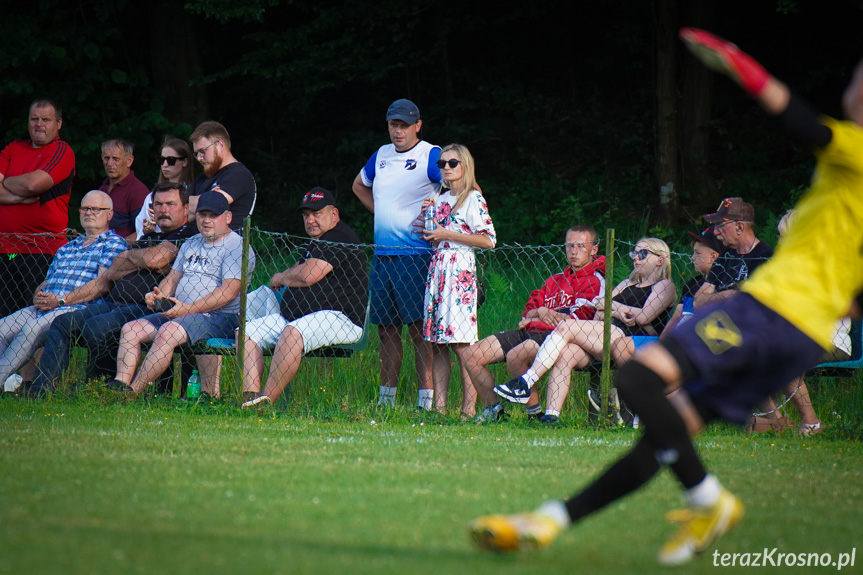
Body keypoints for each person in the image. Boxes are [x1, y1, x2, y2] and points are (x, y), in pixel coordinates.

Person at [469, 28, 863, 566]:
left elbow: (795, 115)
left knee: (638, 380)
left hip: (777, 317)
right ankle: (549, 521)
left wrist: (736, 64)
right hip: (782, 321)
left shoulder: (855, 145)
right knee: (662, 431)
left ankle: (708, 499)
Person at [29, 182, 197, 396]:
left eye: (170, 204)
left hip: (144, 306)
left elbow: (156, 258)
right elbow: (113, 271)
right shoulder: (150, 236)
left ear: (184, 209)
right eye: (159, 204)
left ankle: (97, 386)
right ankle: (41, 389)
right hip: (114, 301)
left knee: (97, 327)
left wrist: (136, 259)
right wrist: (134, 258)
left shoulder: (185, 235)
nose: (163, 210)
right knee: (62, 323)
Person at [103, 191, 255, 398]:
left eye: (213, 216)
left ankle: (133, 392)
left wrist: (187, 309)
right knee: (131, 329)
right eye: (202, 215)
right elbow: (172, 279)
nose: (206, 221)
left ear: (227, 217)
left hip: (221, 317)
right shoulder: (191, 242)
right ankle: (120, 385)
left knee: (168, 331)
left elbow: (228, 293)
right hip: (181, 313)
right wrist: (159, 296)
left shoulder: (236, 246)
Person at [493, 238, 677, 407]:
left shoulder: (664, 285)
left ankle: (526, 381)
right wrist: (621, 312)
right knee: (565, 353)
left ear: (660, 259)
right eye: (634, 253)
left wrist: (612, 308)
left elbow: (645, 317)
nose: (636, 258)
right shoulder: (627, 283)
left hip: (631, 338)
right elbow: (598, 307)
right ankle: (551, 415)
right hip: (606, 333)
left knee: (565, 326)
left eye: (642, 253)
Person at [464, 225, 606, 424]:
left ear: (594, 250)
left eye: (581, 246)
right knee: (471, 355)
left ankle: (534, 414)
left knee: (517, 354)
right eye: (569, 246)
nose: (574, 251)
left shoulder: (595, 281)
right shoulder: (555, 279)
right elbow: (528, 310)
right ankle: (493, 409)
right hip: (530, 330)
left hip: (554, 336)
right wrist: (540, 312)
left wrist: (537, 317)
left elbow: (579, 319)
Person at [241, 187, 368, 408]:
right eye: (306, 215)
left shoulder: (339, 237)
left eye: (316, 214)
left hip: (342, 319)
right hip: (301, 318)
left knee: (292, 333)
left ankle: (266, 400)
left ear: (334, 214)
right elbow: (301, 267)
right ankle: (250, 398)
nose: (310, 220)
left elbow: (309, 275)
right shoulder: (318, 240)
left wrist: (281, 277)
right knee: (247, 333)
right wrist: (288, 276)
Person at [352, 99, 442, 410]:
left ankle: (427, 402)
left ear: (418, 125)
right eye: (394, 124)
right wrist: (384, 215)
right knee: (386, 331)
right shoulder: (381, 155)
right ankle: (385, 401)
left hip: (416, 255)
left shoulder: (431, 154)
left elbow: (466, 188)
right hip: (383, 255)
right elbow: (358, 186)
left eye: (404, 125)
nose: (398, 130)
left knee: (420, 331)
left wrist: (440, 220)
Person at [0, 191, 127, 394]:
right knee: (2, 328)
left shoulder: (114, 244)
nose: (89, 212)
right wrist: (38, 294)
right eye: (85, 208)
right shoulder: (67, 247)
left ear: (110, 214)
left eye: (96, 209)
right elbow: (47, 281)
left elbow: (102, 285)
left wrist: (60, 300)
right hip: (44, 305)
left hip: (75, 308)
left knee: (30, 331)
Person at [416, 144, 496, 417]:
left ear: (465, 166)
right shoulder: (437, 198)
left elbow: (488, 240)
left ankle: (468, 409)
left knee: (462, 344)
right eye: (442, 164)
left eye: (453, 163)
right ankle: (439, 409)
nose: (446, 168)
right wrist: (425, 228)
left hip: (459, 272)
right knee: (438, 343)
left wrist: (447, 234)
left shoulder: (473, 198)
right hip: (438, 270)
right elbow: (433, 236)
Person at [0, 98, 76, 319]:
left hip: (42, 250)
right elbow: (28, 187)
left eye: (46, 119)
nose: (39, 124)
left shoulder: (61, 150)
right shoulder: (13, 148)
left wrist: (6, 182)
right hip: (6, 249)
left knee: (33, 319)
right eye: (34, 119)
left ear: (58, 123)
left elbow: (35, 184)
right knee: (4, 318)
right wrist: (17, 198)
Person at [693, 197, 772, 308]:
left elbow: (754, 303)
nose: (715, 232)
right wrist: (727, 295)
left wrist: (713, 297)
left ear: (739, 227)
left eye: (720, 225)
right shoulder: (725, 256)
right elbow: (697, 301)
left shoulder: (765, 257)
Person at [189, 121, 256, 230]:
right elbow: (183, 214)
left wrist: (186, 203)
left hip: (225, 244)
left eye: (203, 151)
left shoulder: (238, 175)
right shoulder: (204, 177)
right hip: (196, 242)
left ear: (220, 145)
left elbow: (211, 204)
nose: (199, 158)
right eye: (196, 153)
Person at [664, 227, 722, 333]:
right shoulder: (692, 284)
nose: (692, 257)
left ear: (713, 256)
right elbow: (675, 319)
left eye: (697, 253)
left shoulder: (722, 286)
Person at [135, 137, 195, 239]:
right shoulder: (151, 196)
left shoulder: (194, 193)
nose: (165, 165)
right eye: (162, 160)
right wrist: (148, 231)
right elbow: (140, 227)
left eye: (171, 160)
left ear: (184, 162)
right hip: (152, 248)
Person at [98, 139, 151, 241]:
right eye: (106, 158)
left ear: (129, 161)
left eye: (116, 159)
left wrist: (117, 247)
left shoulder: (138, 192)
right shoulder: (102, 189)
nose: (109, 163)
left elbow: (144, 231)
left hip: (123, 252)